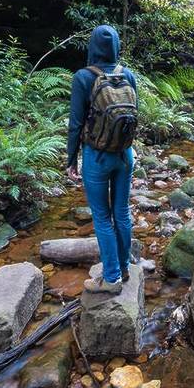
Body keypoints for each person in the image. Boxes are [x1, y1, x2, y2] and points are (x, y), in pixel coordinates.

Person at [66, 25, 138, 293]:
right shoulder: (127, 74)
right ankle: (124, 269)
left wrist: (71, 160)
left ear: (93, 47)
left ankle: (111, 279)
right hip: (125, 155)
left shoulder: (83, 77)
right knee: (122, 212)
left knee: (102, 217)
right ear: (116, 46)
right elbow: (132, 116)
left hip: (97, 157)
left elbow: (75, 124)